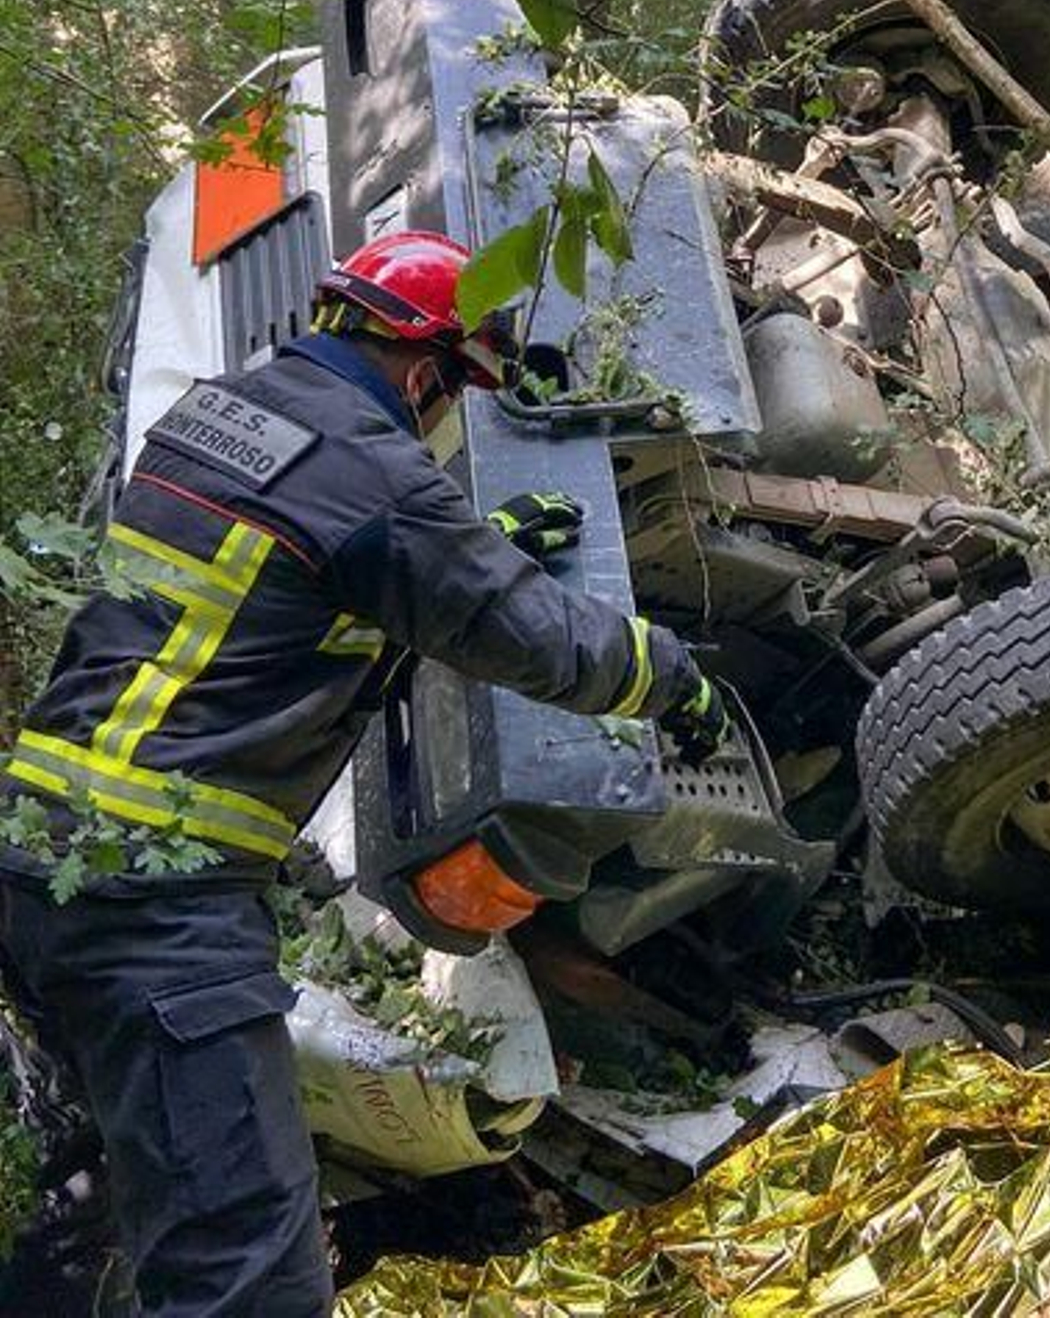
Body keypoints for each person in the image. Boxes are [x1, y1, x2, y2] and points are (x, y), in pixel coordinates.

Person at [0, 228, 727, 1318]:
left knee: (117, 1189)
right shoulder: (376, 479)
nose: (442, 420)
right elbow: (540, 643)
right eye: (452, 395)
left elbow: (293, 601)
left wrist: (471, 541)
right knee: (250, 1279)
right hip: (159, 918)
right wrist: (676, 683)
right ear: (428, 368)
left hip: (44, 865)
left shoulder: (221, 413)